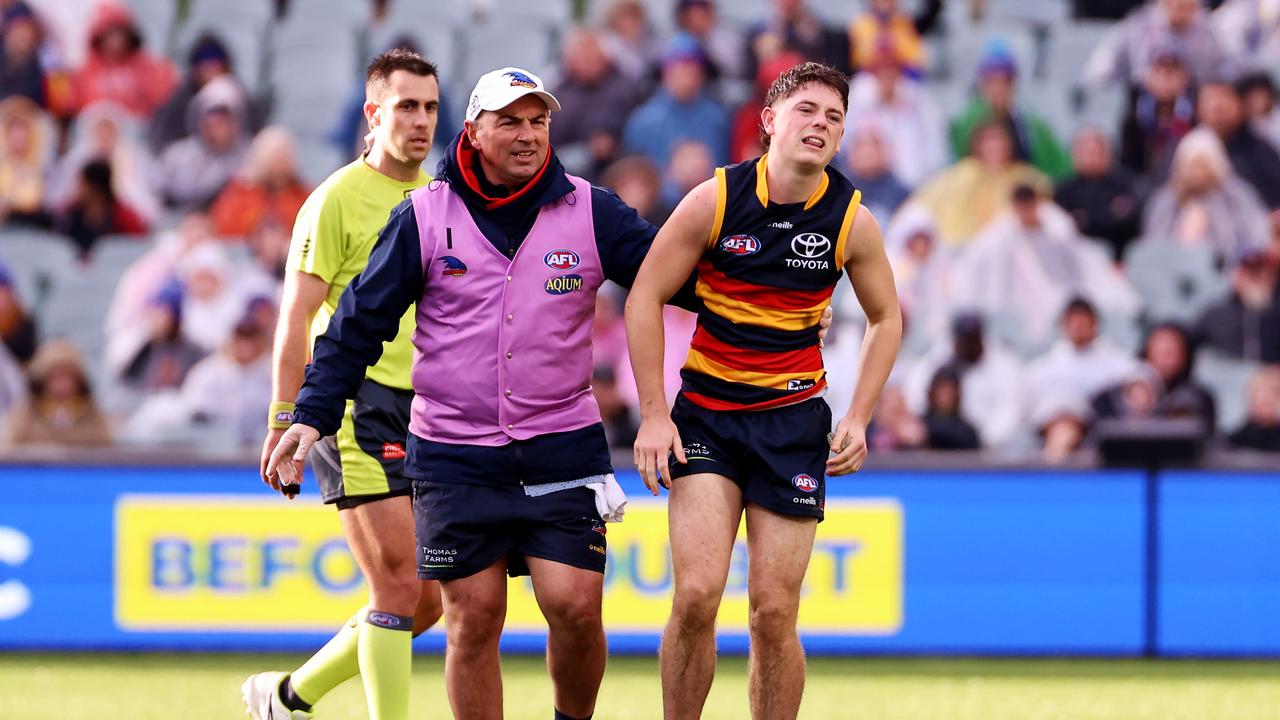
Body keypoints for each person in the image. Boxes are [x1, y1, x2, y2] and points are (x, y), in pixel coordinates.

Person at [264, 65, 671, 720]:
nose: (528, 134)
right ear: (475, 132)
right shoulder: (424, 213)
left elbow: (673, 274)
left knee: (574, 607)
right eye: (510, 120)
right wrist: (308, 416)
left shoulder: (592, 209)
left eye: (538, 121)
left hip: (561, 445)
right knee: (472, 618)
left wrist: (772, 299)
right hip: (453, 452)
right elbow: (355, 325)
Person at [624, 62, 901, 720]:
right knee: (695, 595)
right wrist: (655, 416)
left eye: (834, 117)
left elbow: (887, 319)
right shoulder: (714, 199)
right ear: (769, 121)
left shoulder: (851, 221)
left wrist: (860, 417)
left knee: (773, 614)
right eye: (807, 110)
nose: (822, 124)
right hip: (708, 422)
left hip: (790, 426)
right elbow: (644, 296)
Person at [241, 50, 444, 720]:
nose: (420, 121)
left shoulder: (440, 198)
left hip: (433, 411)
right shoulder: (335, 199)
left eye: (430, 107)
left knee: (429, 600)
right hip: (356, 406)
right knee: (397, 586)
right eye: (406, 106)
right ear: (373, 112)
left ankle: (288, 696)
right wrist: (284, 417)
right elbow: (295, 316)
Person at [1055, 128, 1144, 261]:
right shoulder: (1064, 190)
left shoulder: (1126, 185)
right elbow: (1058, 227)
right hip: (1073, 259)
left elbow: (1125, 224)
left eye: (1093, 153)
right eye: (1083, 153)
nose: (1089, 158)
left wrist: (1085, 220)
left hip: (1117, 259)